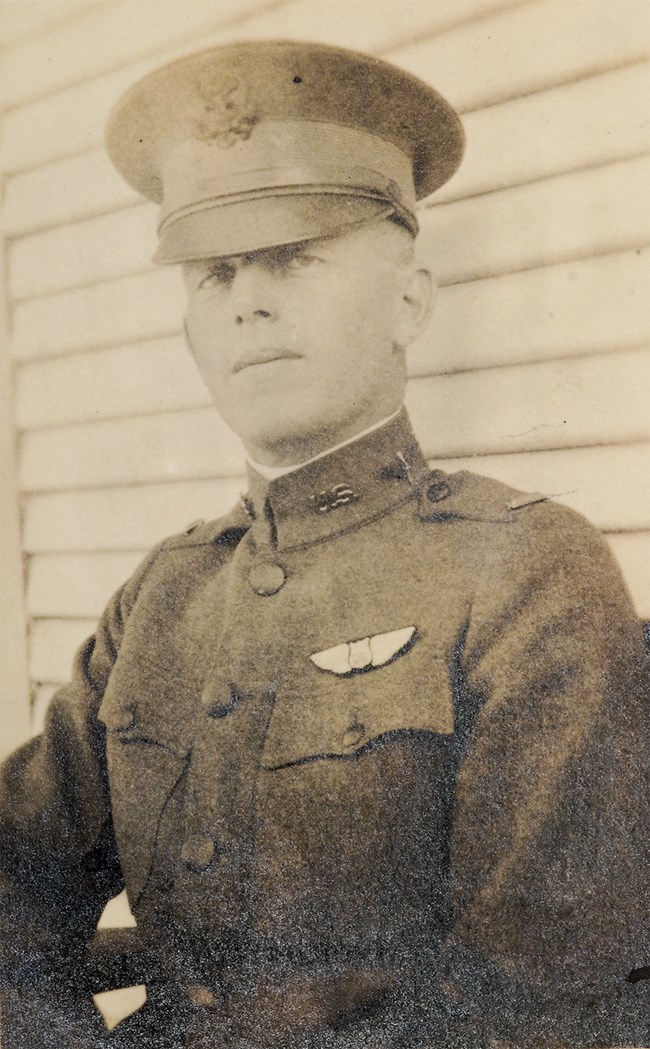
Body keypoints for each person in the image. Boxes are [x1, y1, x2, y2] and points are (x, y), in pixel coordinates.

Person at [1, 40, 648, 1049]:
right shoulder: (163, 595)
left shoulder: (527, 574)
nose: (248, 300)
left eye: (295, 256)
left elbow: (532, 1007)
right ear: (190, 333)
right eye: (214, 273)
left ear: (408, 303)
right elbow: (12, 876)